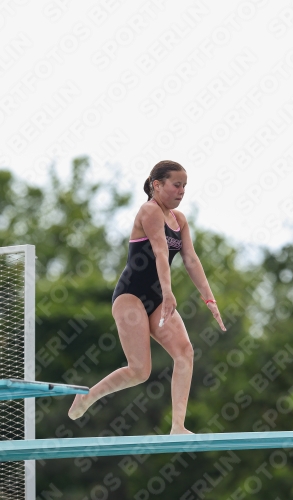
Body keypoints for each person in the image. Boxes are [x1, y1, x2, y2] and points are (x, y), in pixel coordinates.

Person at [68, 160, 227, 434]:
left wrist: (210, 299)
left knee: (185, 352)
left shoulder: (180, 220)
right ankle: (88, 395)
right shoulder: (149, 211)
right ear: (157, 184)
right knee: (140, 371)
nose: (182, 191)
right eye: (176, 185)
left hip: (157, 299)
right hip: (130, 296)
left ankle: (178, 426)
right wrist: (168, 293)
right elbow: (160, 252)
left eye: (185, 186)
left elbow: (190, 259)